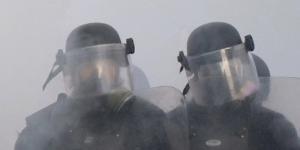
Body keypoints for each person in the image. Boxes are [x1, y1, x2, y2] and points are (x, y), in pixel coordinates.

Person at [15, 23, 170, 150]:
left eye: (107, 65)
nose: (99, 74)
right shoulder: (42, 131)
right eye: (88, 67)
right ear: (73, 71)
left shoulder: (147, 120)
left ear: (118, 67)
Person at [175, 22, 300, 150]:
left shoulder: (271, 126)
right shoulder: (175, 125)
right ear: (194, 73)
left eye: (228, 68)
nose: (218, 77)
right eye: (207, 70)